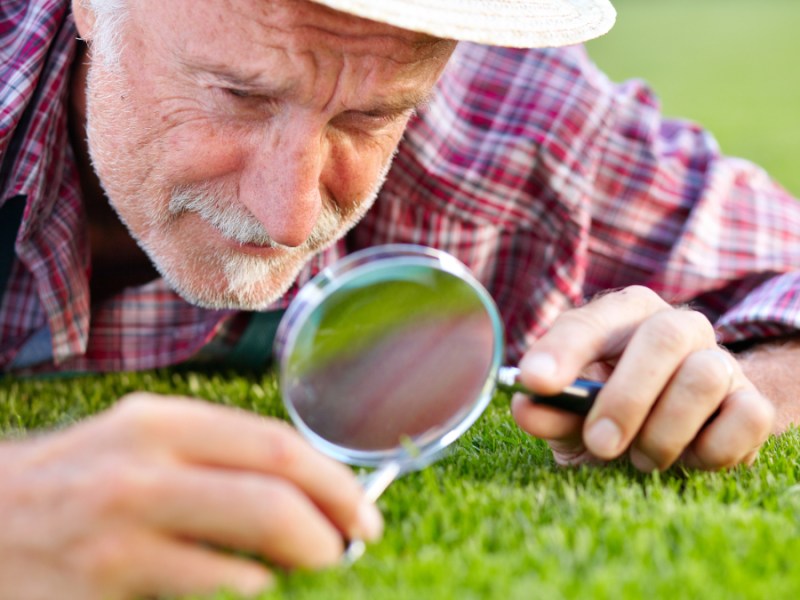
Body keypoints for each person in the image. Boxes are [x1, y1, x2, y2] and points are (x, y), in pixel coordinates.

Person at [1, 0, 798, 596]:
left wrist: (731, 386)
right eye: (237, 95)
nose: (291, 214)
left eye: (371, 116)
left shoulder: (508, 118)